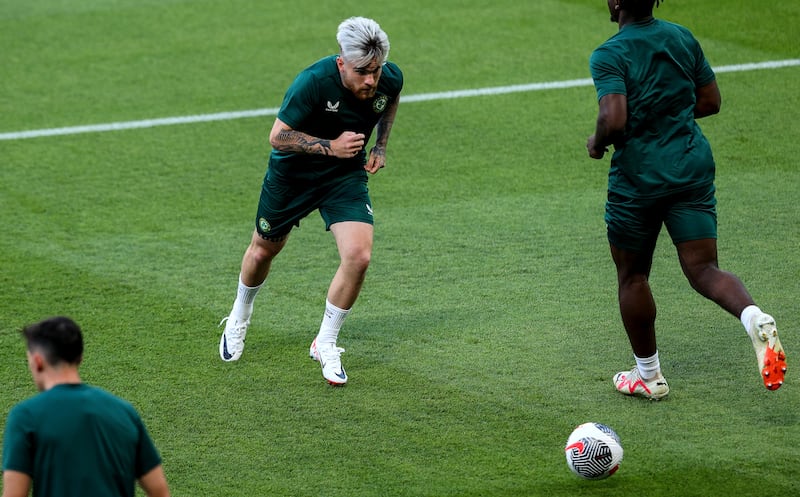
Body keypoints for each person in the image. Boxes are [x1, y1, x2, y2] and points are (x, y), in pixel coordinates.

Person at [586, 0, 787, 399]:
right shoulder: (681, 36)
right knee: (704, 269)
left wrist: (597, 141)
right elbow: (710, 101)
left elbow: (614, 117)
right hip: (691, 165)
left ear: (616, 2)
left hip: (639, 178)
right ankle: (753, 316)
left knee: (633, 275)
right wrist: (669, 114)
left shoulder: (610, 53)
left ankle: (649, 376)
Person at [218, 16, 403, 386]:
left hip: (343, 176)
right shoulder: (313, 82)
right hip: (293, 176)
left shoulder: (388, 78)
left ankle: (327, 341)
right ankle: (240, 315)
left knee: (359, 256)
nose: (371, 80)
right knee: (263, 250)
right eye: (362, 71)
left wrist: (380, 145)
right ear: (341, 63)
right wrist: (330, 147)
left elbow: (390, 97)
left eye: (376, 70)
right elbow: (277, 136)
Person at [2, 317, 170, 497]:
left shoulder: (26, 416)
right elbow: (160, 491)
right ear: (80, 358)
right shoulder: (124, 411)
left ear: (38, 362)